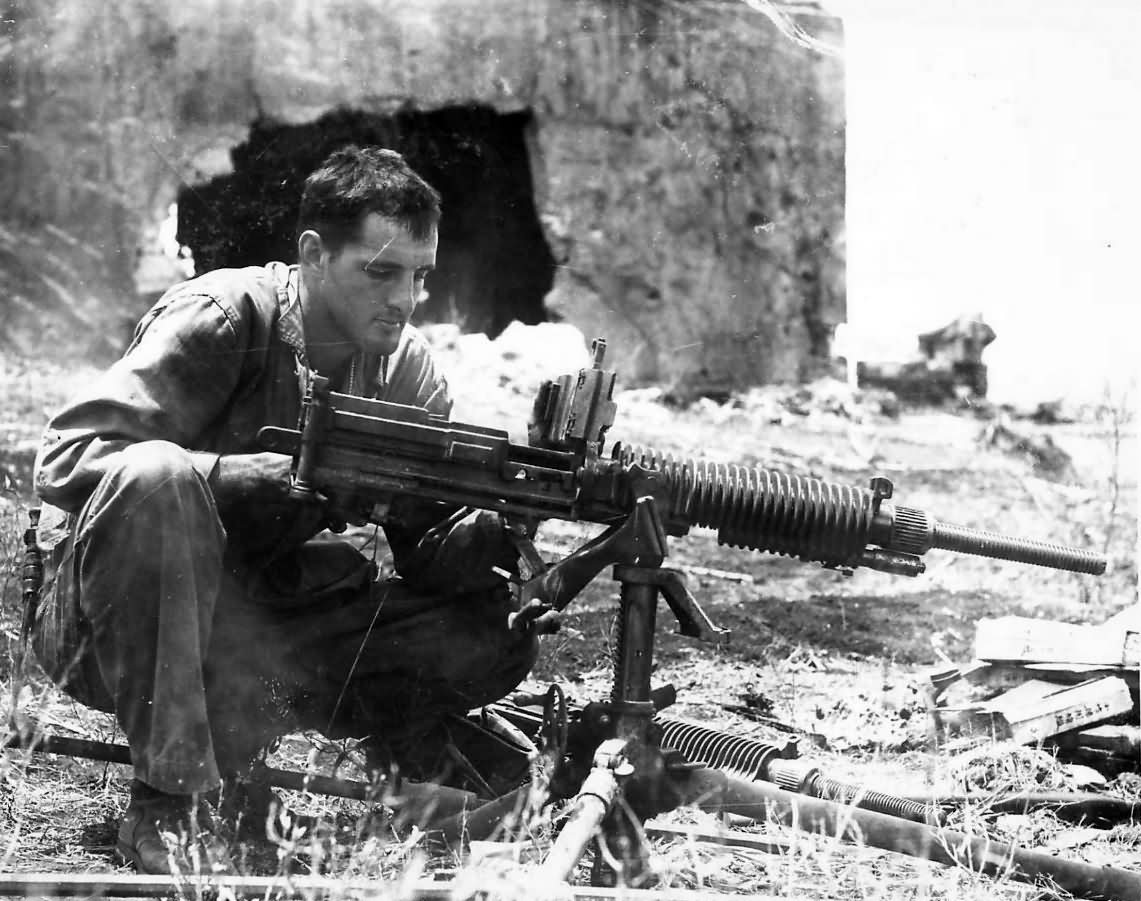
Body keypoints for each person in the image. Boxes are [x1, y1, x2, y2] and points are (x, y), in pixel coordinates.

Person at [29, 146, 539, 873]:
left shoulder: (406, 371)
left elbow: (428, 550)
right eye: (381, 272)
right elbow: (68, 456)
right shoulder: (224, 318)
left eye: (420, 275)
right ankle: (168, 800)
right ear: (314, 255)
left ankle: (368, 754)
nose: (405, 299)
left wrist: (505, 517)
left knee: (491, 627)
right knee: (159, 475)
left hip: (250, 629)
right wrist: (222, 476)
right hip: (99, 621)